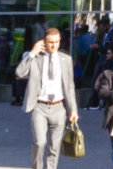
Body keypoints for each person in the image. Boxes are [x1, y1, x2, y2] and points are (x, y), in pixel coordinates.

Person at [19, 26, 81, 169]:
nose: (54, 45)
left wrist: (73, 110)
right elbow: (20, 73)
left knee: (54, 147)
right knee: (39, 143)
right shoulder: (35, 58)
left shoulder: (66, 60)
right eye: (50, 42)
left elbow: (70, 87)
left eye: (57, 42)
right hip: (39, 107)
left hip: (59, 108)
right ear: (44, 42)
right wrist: (32, 53)